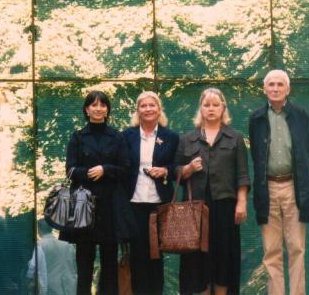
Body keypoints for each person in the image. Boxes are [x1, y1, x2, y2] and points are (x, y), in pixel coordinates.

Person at [175, 88, 250, 295]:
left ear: (223, 108)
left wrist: (241, 202)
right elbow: (175, 171)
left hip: (225, 207)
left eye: (215, 105)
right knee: (197, 262)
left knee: (224, 258)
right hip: (195, 210)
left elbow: (242, 174)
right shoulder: (187, 139)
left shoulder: (235, 138)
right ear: (200, 108)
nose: (211, 109)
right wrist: (188, 169)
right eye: (206, 105)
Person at [249, 69, 309, 295]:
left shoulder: (301, 115)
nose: (276, 88)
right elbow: (257, 156)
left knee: (297, 248)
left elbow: (306, 151)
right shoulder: (256, 118)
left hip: (293, 188)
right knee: (271, 250)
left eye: (280, 84)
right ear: (265, 89)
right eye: (271, 84)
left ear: (288, 89)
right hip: (267, 188)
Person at [59, 90, 134, 295]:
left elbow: (126, 170)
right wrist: (89, 173)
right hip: (83, 207)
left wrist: (105, 169)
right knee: (84, 266)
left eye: (102, 105)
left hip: (110, 208)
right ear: (87, 109)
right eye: (94, 105)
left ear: (107, 109)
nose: (98, 108)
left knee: (110, 265)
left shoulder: (117, 137)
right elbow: (70, 170)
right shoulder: (78, 137)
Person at [122, 91, 179, 295]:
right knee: (137, 256)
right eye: (143, 106)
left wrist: (165, 171)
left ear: (159, 109)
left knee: (156, 256)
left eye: (151, 105)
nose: (148, 109)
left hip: (159, 204)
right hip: (134, 203)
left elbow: (177, 167)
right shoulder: (126, 136)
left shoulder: (170, 136)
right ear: (138, 111)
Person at [27, 220, 77, 295]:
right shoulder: (67, 246)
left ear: (39, 229)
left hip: (47, 288)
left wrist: (27, 278)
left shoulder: (40, 246)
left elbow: (33, 266)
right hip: (64, 287)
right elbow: (72, 268)